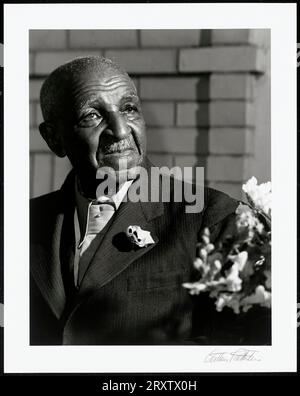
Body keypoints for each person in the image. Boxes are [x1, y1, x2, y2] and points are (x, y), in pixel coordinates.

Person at [30, 56, 268, 345]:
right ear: (54, 138)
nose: (120, 130)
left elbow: (238, 345)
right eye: (91, 116)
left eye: (129, 109)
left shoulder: (213, 217)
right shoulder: (23, 223)